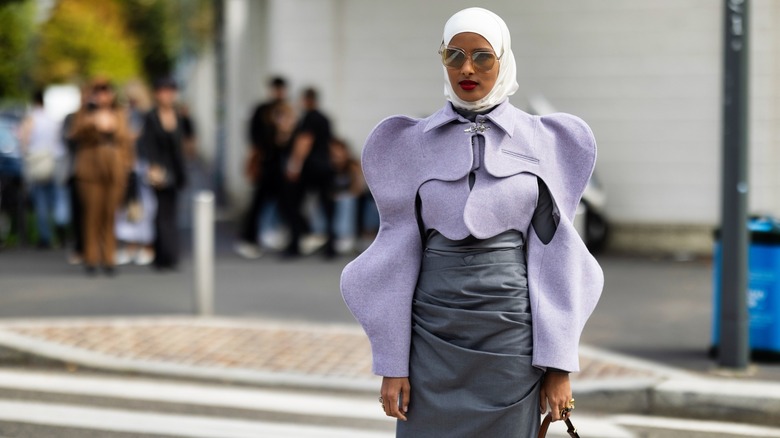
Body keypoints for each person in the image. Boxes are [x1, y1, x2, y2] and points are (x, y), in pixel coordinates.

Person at [340, 8, 603, 436]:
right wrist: (392, 363)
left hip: (510, 342)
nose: (467, 68)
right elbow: (397, 253)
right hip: (432, 340)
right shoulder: (410, 144)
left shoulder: (543, 140)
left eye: (483, 57)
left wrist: (558, 366)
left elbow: (557, 257)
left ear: (504, 59)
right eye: (454, 55)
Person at [70, 79, 134, 275]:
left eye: (105, 91)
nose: (102, 96)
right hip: (90, 169)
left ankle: (109, 258)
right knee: (92, 215)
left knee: (110, 215)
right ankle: (91, 258)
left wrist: (126, 166)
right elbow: (74, 133)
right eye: (97, 91)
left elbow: (126, 141)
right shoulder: (84, 113)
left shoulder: (120, 114)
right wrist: (92, 120)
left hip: (113, 169)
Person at [235, 76, 293, 259]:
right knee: (258, 203)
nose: (278, 93)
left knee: (287, 203)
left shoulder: (288, 110)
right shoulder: (262, 110)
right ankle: (249, 239)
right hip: (266, 164)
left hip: (281, 164)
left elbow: (292, 136)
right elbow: (254, 136)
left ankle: (294, 239)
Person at [137, 77, 188, 270]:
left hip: (176, 169)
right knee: (161, 212)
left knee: (172, 211)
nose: (167, 95)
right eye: (163, 91)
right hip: (158, 169)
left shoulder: (179, 115)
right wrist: (152, 166)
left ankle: (170, 254)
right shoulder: (150, 117)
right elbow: (146, 144)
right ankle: (163, 255)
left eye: (170, 91)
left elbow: (184, 143)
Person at [280, 87, 336, 258]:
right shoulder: (325, 118)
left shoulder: (308, 118)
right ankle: (330, 246)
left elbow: (305, 142)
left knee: (292, 203)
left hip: (310, 168)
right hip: (325, 167)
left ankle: (295, 243)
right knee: (327, 207)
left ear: (306, 100)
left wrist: (294, 166)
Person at [18, 90, 69, 249]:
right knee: (58, 199)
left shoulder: (31, 119)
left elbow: (24, 141)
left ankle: (45, 236)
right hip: (54, 161)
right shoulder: (53, 119)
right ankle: (62, 227)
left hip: (38, 163)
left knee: (41, 202)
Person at [115, 80, 156, 266]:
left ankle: (147, 246)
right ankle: (131, 246)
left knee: (146, 208)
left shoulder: (148, 116)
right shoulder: (126, 115)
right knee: (129, 209)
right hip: (128, 166)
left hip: (145, 166)